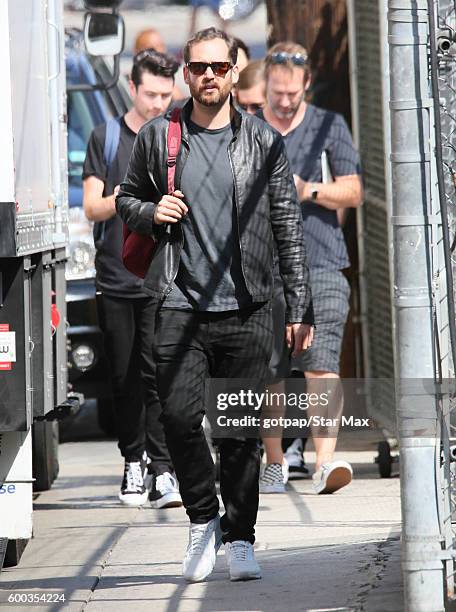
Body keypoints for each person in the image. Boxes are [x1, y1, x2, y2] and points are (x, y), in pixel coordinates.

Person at [116, 27, 313, 582]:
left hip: (248, 307)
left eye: (219, 68)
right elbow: (126, 197)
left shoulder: (262, 141)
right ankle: (203, 519)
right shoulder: (160, 137)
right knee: (178, 418)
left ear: (232, 71)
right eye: (199, 67)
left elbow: (286, 225)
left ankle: (241, 536)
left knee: (240, 433)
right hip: (178, 302)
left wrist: (299, 306)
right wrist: (152, 213)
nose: (209, 76)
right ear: (186, 72)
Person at [260, 41, 363, 495]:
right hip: (262, 267)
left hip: (322, 258)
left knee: (320, 366)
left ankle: (324, 463)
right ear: (266, 84)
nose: (284, 102)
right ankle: (275, 462)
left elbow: (355, 191)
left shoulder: (328, 126)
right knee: (270, 370)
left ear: (306, 85)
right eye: (276, 92)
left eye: (292, 93)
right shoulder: (248, 128)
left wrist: (310, 191)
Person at [82, 50, 182, 509]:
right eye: (150, 95)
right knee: (124, 376)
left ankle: (162, 468)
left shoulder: (176, 135)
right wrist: (128, 194)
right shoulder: (106, 138)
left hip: (162, 276)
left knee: (157, 371)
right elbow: (92, 207)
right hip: (117, 275)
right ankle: (132, 461)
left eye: (166, 95)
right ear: (132, 86)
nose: (158, 104)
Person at [133, 29, 187, 101]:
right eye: (150, 48)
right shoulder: (128, 84)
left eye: (160, 46)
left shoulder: (175, 84)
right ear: (136, 51)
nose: (157, 51)